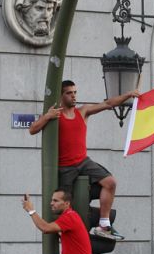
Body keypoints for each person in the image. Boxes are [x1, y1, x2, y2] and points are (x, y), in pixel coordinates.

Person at [28, 80, 140, 241]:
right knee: (65, 207)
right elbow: (32, 129)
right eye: (69, 93)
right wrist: (47, 116)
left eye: (75, 92)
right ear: (61, 95)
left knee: (110, 182)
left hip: (83, 162)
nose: (73, 96)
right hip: (65, 167)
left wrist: (129, 94)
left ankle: (104, 224)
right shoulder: (55, 115)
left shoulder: (83, 111)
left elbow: (108, 103)